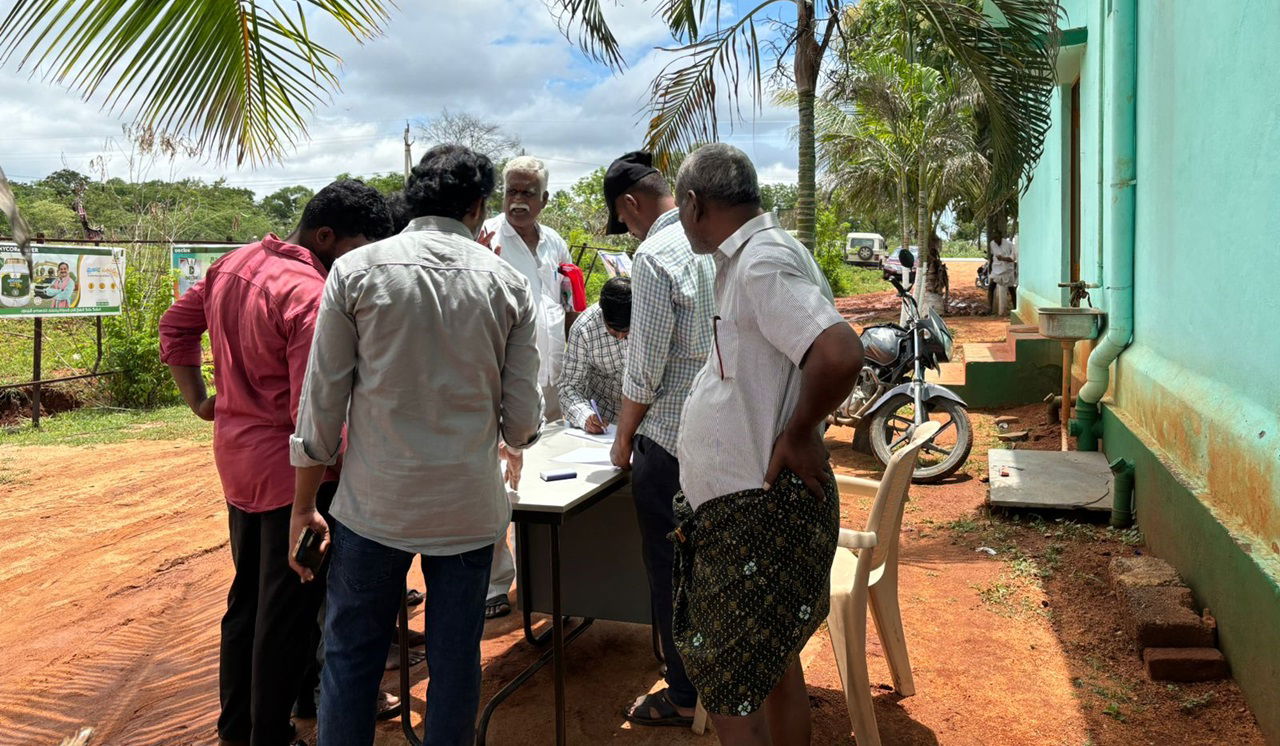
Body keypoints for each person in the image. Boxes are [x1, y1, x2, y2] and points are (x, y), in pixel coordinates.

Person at [288, 144, 543, 746]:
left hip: (373, 509)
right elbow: (519, 423)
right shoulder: (508, 284)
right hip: (468, 513)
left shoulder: (355, 273)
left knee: (352, 655)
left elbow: (321, 404)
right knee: (456, 662)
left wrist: (304, 506)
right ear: (480, 205)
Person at [159, 180, 392, 746]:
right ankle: (271, 735)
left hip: (239, 465)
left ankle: (235, 727)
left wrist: (200, 400)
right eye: (360, 248)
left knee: (248, 600)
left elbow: (175, 326)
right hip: (294, 480)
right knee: (287, 614)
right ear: (327, 236)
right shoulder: (311, 295)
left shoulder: (232, 263)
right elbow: (311, 412)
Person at [671, 143, 864, 745]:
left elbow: (838, 352)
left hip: (755, 509)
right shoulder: (752, 258)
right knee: (775, 667)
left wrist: (800, 431)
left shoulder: (760, 263)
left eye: (680, 211)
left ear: (695, 204)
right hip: (749, 503)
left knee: (731, 683)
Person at [602, 150, 715, 727]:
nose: (626, 229)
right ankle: (723, 680)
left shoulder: (652, 255)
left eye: (622, 221)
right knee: (714, 567)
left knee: (670, 571)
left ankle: (684, 694)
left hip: (669, 446)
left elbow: (643, 369)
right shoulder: (724, 239)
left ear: (629, 205)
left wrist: (623, 440)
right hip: (728, 444)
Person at [477, 155, 573, 620]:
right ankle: (497, 582)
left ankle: (553, 578)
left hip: (553, 375)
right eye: (511, 191)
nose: (517, 201)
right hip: (507, 377)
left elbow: (565, 300)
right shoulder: (488, 240)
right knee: (499, 478)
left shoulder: (555, 241)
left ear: (544, 199)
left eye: (527, 193)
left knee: (550, 473)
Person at [557, 276, 631, 433]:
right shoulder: (583, 330)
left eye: (626, 331)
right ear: (602, 312)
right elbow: (569, 387)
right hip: (605, 422)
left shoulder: (651, 321)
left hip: (644, 421)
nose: (620, 337)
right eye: (613, 330)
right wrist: (586, 416)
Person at [989, 230, 1018, 315]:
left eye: (996, 238)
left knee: (1011, 289)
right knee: (991, 287)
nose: (995, 240)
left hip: (1007, 270)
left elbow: (1013, 259)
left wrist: (1003, 258)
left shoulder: (1009, 244)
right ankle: (990, 309)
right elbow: (992, 256)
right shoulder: (992, 244)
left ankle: (1015, 308)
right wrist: (991, 267)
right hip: (996, 270)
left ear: (1001, 236)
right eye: (994, 238)